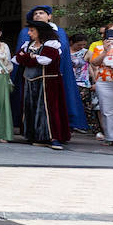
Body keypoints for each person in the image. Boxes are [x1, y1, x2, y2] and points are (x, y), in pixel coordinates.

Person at [12, 5, 88, 134]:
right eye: (35, 13)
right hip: (31, 76)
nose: (38, 15)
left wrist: (34, 58)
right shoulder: (26, 32)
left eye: (41, 13)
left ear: (49, 16)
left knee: (51, 104)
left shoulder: (58, 32)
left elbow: (61, 52)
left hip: (52, 74)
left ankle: (54, 132)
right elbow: (20, 55)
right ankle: (33, 132)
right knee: (32, 103)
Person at [14, 19, 71, 150]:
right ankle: (37, 136)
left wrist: (29, 58)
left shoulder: (51, 45)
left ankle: (53, 138)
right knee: (32, 108)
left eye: (32, 30)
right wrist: (30, 58)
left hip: (47, 83)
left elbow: (45, 60)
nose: (29, 33)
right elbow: (18, 59)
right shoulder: (29, 44)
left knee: (48, 110)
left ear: (41, 32)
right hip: (30, 82)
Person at [70, 34, 97, 134]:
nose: (81, 47)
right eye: (79, 45)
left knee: (87, 106)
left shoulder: (86, 52)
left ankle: (91, 127)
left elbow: (91, 67)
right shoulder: (64, 51)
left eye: (83, 44)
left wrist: (94, 81)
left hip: (83, 82)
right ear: (72, 43)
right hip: (69, 81)